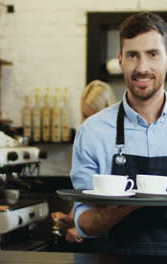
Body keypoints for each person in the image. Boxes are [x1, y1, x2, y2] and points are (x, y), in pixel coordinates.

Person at [70, 12, 167, 256]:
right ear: (120, 60)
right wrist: (120, 209)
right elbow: (83, 221)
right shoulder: (92, 132)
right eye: (132, 55)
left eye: (153, 54)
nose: (142, 67)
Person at [50, 80, 117, 244]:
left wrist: (83, 230)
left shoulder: (120, 143)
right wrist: (71, 219)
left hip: (114, 234)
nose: (89, 122)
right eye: (85, 116)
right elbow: (85, 191)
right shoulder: (86, 137)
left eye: (94, 116)